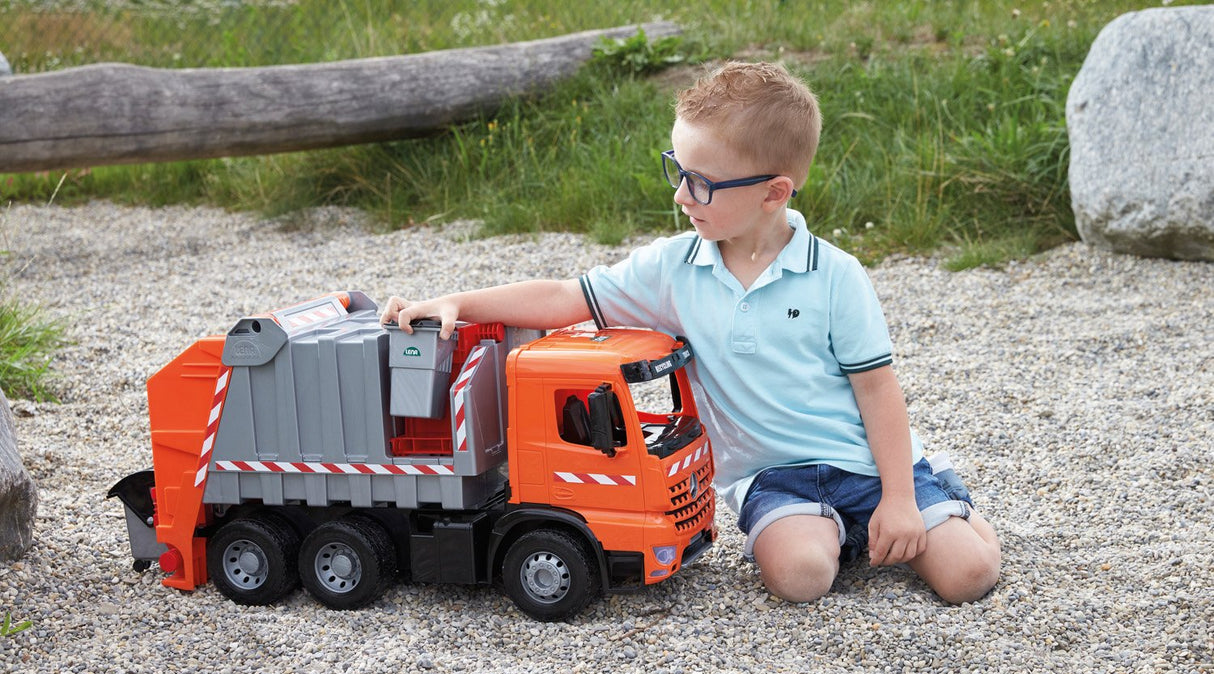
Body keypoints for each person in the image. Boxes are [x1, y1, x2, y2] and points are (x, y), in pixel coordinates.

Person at [382, 61, 1000, 605]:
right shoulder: (674, 268)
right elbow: (565, 298)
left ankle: (938, 496)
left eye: (700, 182)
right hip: (775, 477)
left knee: (968, 575)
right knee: (802, 578)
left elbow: (877, 391)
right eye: (677, 169)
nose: (681, 194)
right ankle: (844, 530)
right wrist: (457, 300)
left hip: (868, 462)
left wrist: (898, 497)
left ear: (773, 192)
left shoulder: (836, 275)